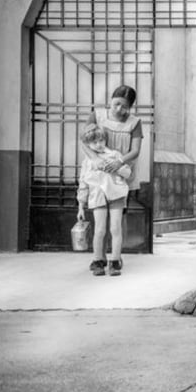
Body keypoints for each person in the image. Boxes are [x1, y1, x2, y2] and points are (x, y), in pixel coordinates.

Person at [82, 85, 143, 277]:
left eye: (124, 107)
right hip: (99, 175)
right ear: (111, 100)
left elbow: (135, 151)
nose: (119, 109)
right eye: (116, 104)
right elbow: (84, 140)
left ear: (130, 107)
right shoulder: (97, 115)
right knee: (100, 225)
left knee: (118, 220)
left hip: (120, 171)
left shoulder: (134, 123)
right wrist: (95, 159)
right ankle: (98, 258)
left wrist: (118, 162)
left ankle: (115, 257)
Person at [77, 125, 132, 276]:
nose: (99, 144)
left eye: (101, 140)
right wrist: (81, 207)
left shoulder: (114, 155)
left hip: (116, 195)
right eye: (94, 142)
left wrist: (117, 168)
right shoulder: (87, 161)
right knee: (99, 230)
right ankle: (98, 260)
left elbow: (128, 173)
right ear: (87, 144)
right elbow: (83, 184)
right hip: (97, 196)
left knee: (115, 229)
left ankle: (114, 261)